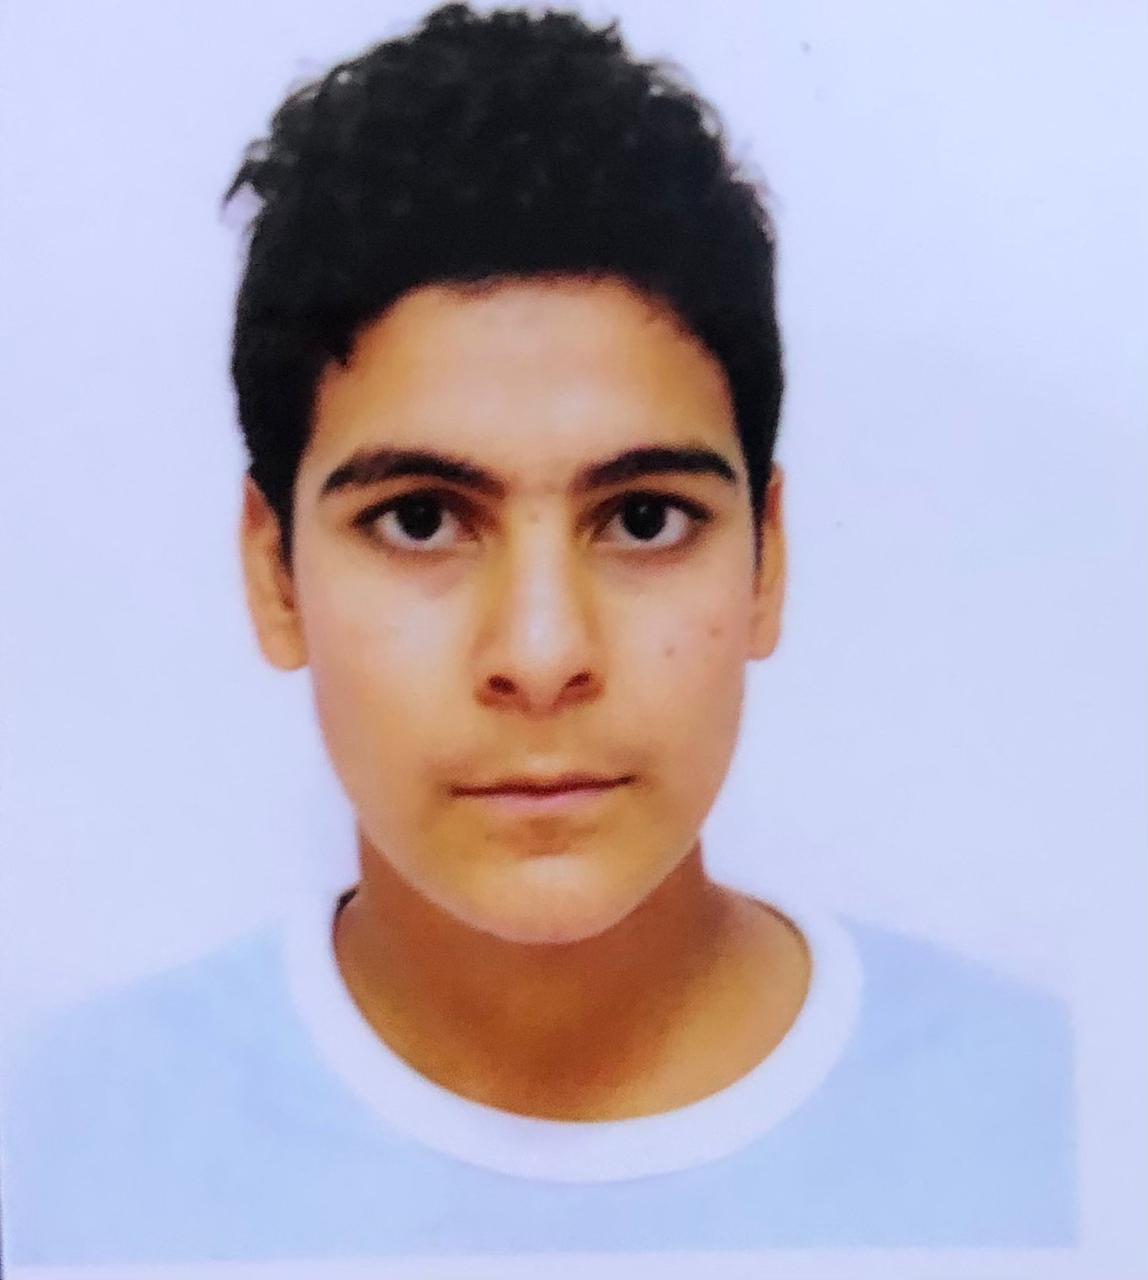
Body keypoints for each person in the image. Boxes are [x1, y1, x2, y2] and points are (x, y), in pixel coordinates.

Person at [0, 3, 1076, 1264]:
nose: (542, 650)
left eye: (641, 517)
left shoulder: (1050, 1114)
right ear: (273, 573)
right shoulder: (63, 1149)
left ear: (766, 559)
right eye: (418, 519)